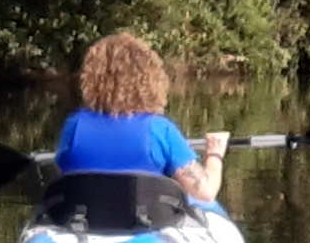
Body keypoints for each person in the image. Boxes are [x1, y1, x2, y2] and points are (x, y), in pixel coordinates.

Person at [54, 30, 229, 207]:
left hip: (88, 218)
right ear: (151, 80)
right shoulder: (159, 130)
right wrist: (214, 153)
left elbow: (64, 172)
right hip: (145, 220)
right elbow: (205, 193)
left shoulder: (74, 126)